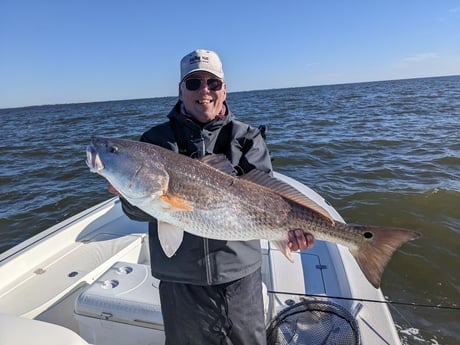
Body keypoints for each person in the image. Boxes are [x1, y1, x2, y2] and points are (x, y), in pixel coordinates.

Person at [112, 49, 314, 345]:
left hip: (239, 275)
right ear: (180, 91)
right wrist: (130, 196)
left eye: (213, 83)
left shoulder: (247, 138)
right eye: (193, 83)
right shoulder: (154, 142)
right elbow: (139, 211)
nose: (204, 90)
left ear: (224, 89)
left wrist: (293, 233)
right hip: (180, 279)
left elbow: (270, 198)